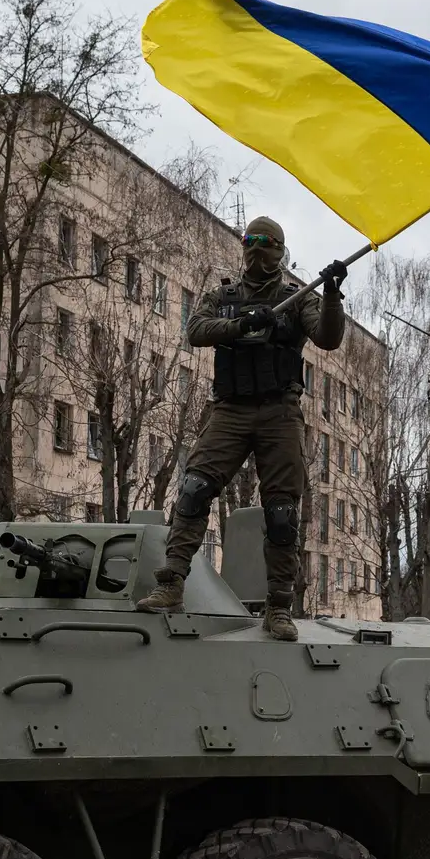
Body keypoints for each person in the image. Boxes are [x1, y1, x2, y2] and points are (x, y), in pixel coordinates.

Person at [135, 216, 346, 640]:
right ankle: (172, 583)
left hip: (279, 412)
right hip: (229, 410)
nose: (255, 249)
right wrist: (242, 324)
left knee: (283, 513)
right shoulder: (224, 296)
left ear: (279, 251)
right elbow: (195, 330)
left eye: (265, 243)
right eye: (250, 240)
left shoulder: (297, 298)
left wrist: (330, 296)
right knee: (193, 490)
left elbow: (328, 337)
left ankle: (279, 607)